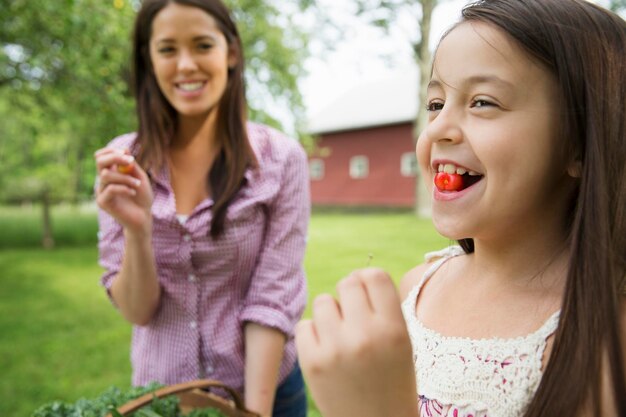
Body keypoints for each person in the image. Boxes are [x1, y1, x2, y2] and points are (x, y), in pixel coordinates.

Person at [295, 0, 626, 416]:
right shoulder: (416, 289)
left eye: (483, 102)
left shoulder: (604, 344)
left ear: (579, 145)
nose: (437, 130)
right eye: (435, 104)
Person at [94, 1, 310, 416]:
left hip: (266, 393)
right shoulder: (121, 163)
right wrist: (137, 229)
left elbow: (273, 298)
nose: (186, 64)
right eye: (168, 49)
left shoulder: (281, 159)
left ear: (230, 52)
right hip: (163, 398)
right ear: (149, 59)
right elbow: (138, 311)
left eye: (202, 45)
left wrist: (253, 411)